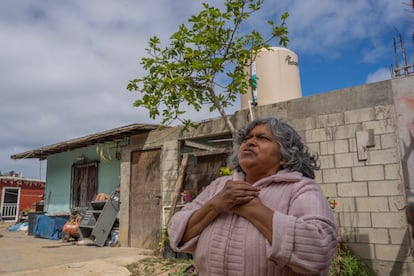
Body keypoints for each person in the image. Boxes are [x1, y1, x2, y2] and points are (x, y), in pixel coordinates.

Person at [168, 117, 338, 275]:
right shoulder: (220, 186)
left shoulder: (300, 188)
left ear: (284, 156)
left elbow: (319, 249)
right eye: (246, 139)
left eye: (262, 138)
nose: (249, 142)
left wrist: (252, 209)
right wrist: (216, 204)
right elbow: (177, 232)